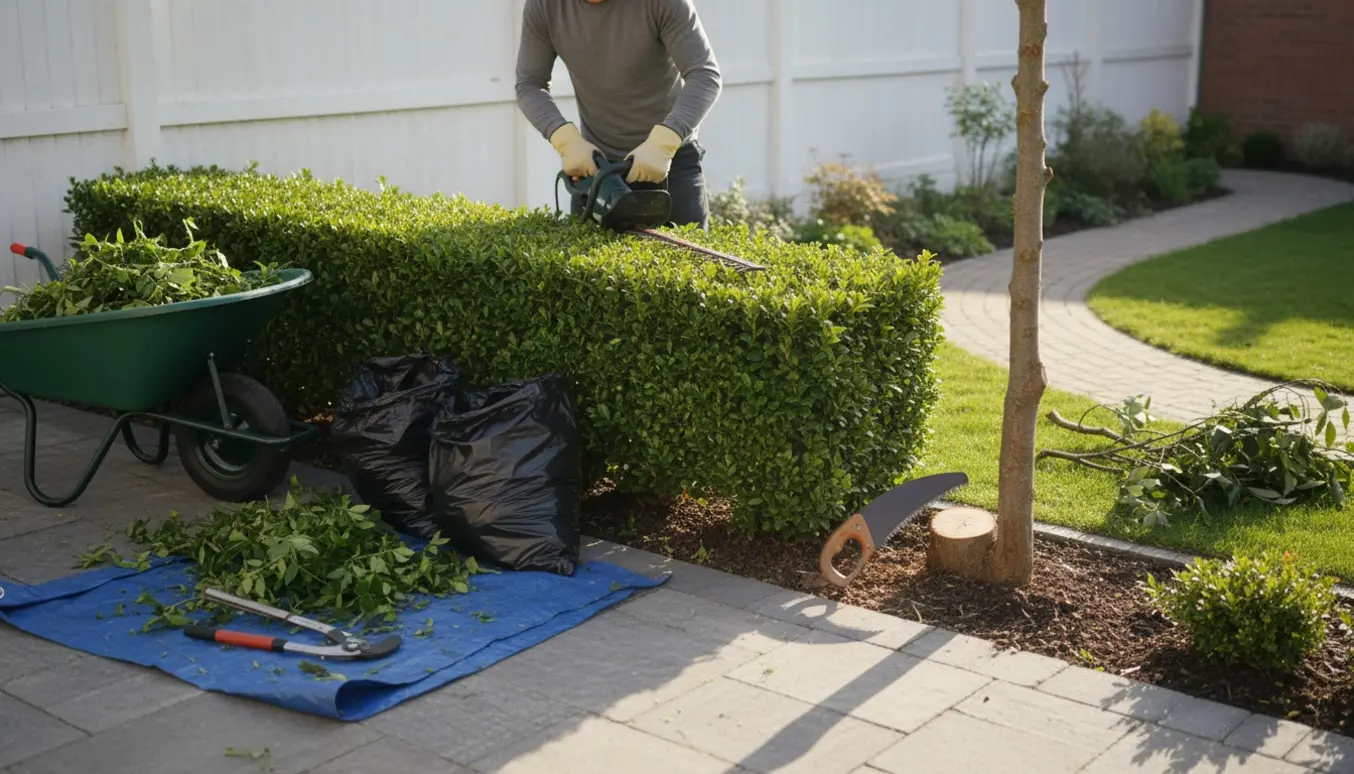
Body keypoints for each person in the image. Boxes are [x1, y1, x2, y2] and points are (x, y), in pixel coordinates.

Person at [514, 0, 722, 229]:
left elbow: (704, 76)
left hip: (668, 164)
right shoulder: (544, 6)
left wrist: (664, 143)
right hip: (599, 172)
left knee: (690, 264)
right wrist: (566, 141)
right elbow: (529, 85)